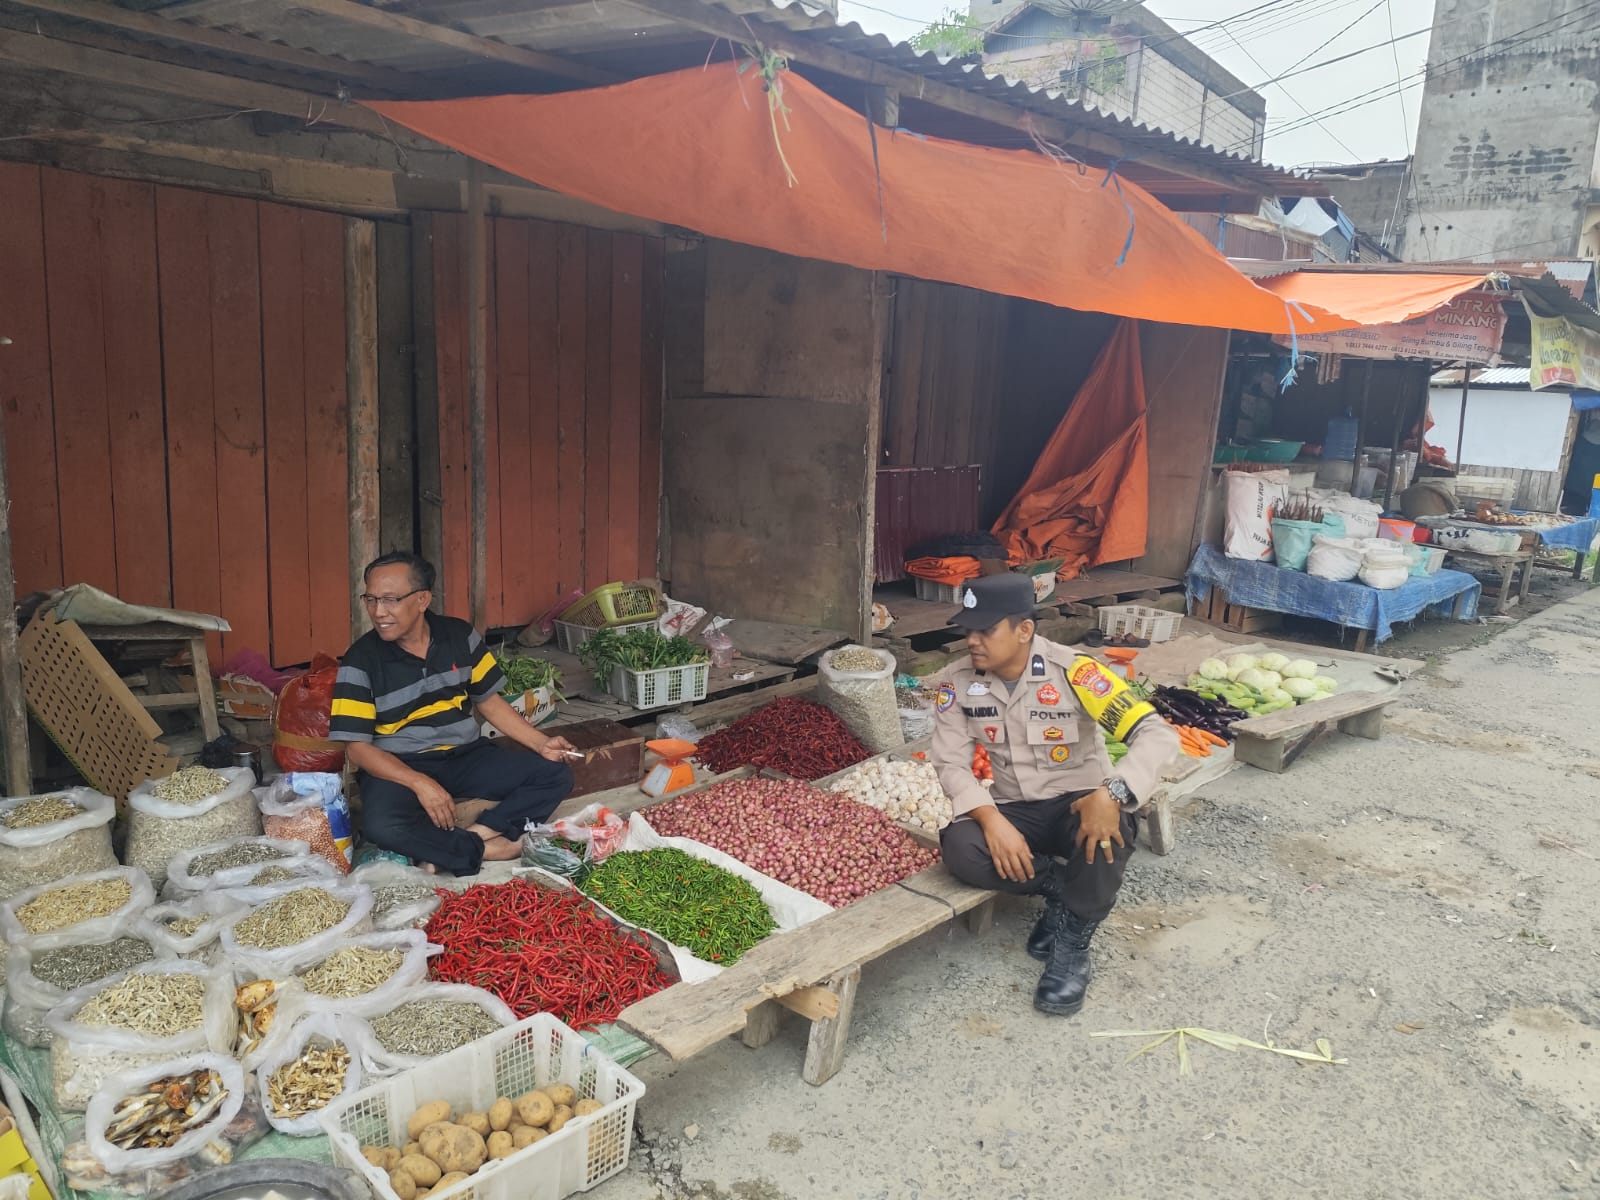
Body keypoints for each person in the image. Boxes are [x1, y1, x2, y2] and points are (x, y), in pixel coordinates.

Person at [930, 574, 1180, 1015]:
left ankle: (1073, 943)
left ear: (1024, 630)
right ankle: (1061, 892)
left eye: (986, 629)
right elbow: (950, 763)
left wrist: (1113, 792)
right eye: (968, 629)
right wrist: (991, 821)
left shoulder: (1077, 673)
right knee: (961, 847)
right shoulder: (955, 683)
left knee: (1110, 830)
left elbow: (1155, 735)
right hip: (1014, 809)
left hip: (1079, 804)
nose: (972, 640)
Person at [329, 552, 577, 874]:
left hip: (465, 755)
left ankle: (472, 840)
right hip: (400, 765)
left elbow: (488, 702)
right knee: (381, 825)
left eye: (390, 600)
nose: (378, 612)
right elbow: (358, 749)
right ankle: (491, 849)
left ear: (422, 599)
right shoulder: (359, 660)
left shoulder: (460, 636)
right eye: (371, 599)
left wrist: (541, 743)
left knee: (555, 773)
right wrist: (419, 783)